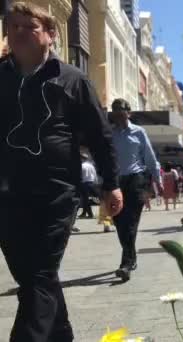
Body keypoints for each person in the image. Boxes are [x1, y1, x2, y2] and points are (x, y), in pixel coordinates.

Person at [0, 3, 123, 341]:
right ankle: (61, 336)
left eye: (29, 26)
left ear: (51, 34)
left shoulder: (72, 80)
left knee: (38, 276)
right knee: (33, 276)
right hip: (8, 196)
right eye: (13, 26)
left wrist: (110, 185)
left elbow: (101, 136)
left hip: (55, 195)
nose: (19, 32)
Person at [109, 98, 162, 282]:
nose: (118, 115)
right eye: (114, 112)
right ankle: (131, 258)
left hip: (136, 180)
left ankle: (126, 264)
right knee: (119, 224)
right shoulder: (110, 134)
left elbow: (149, 157)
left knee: (130, 222)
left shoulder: (139, 132)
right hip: (116, 183)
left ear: (128, 113)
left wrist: (158, 178)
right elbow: (105, 159)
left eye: (121, 111)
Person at [79, 153, 98, 219]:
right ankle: (84, 213)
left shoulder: (82, 165)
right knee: (89, 199)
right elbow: (95, 174)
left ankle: (90, 214)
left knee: (85, 200)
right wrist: (96, 182)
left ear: (82, 158)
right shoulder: (91, 166)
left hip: (84, 184)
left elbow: (81, 176)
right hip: (91, 183)